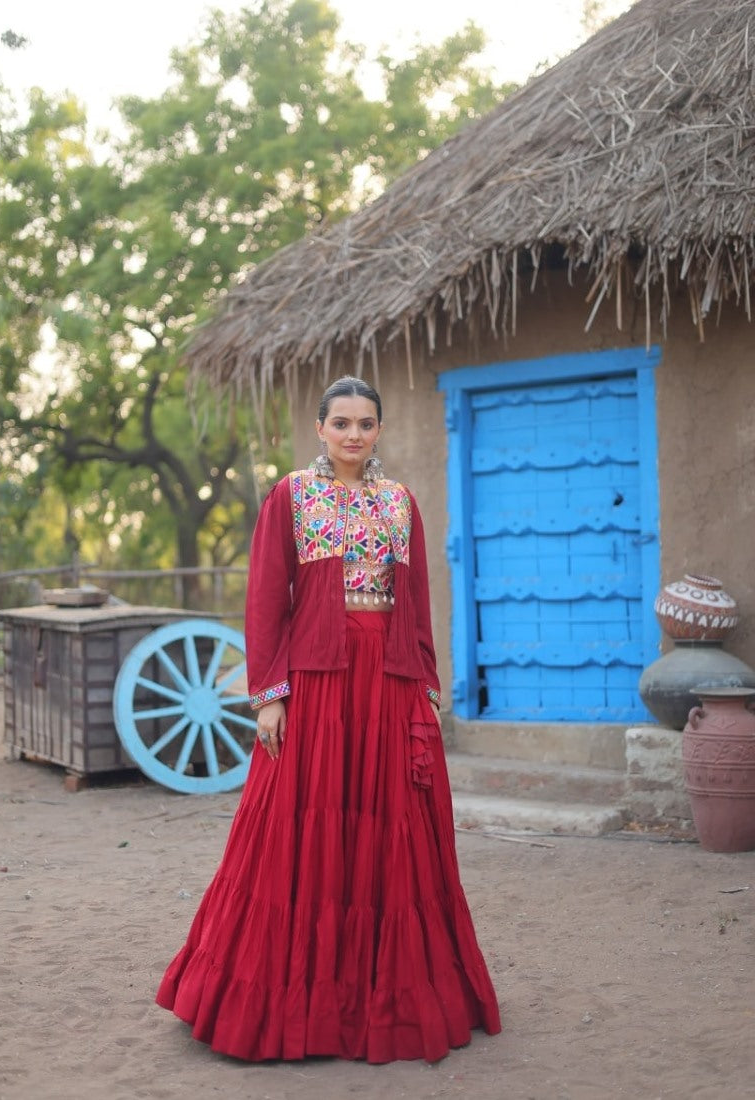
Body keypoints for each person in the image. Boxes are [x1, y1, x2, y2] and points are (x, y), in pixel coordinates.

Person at [155, 375, 501, 1062]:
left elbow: (417, 600)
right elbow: (265, 600)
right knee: (300, 833)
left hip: (388, 680)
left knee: (390, 837)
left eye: (365, 424)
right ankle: (290, 1010)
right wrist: (270, 695)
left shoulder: (400, 503)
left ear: (379, 430)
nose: (352, 435)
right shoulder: (292, 496)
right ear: (320, 428)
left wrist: (424, 684)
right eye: (340, 422)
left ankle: (379, 1001)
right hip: (316, 684)